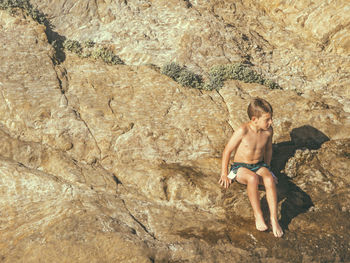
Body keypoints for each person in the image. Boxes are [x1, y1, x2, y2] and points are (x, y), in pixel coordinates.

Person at [219, 97, 283, 238]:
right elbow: (227, 151)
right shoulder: (243, 130)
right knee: (253, 179)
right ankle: (258, 214)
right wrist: (224, 174)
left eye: (271, 118)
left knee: (269, 180)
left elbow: (268, 150)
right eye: (267, 119)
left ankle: (273, 218)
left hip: (259, 165)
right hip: (240, 167)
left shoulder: (268, 131)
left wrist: (269, 169)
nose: (271, 122)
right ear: (254, 119)